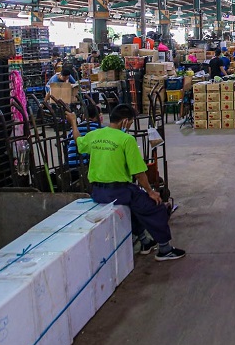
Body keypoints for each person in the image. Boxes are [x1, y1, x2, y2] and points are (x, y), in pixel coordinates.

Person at [65, 105, 185, 261]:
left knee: (135, 205)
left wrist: (73, 122)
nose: (129, 125)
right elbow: (138, 172)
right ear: (125, 121)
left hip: (97, 192)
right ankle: (165, 249)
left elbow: (78, 141)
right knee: (156, 207)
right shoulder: (126, 140)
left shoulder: (94, 134)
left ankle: (145, 242)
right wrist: (151, 192)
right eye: (130, 123)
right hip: (118, 191)